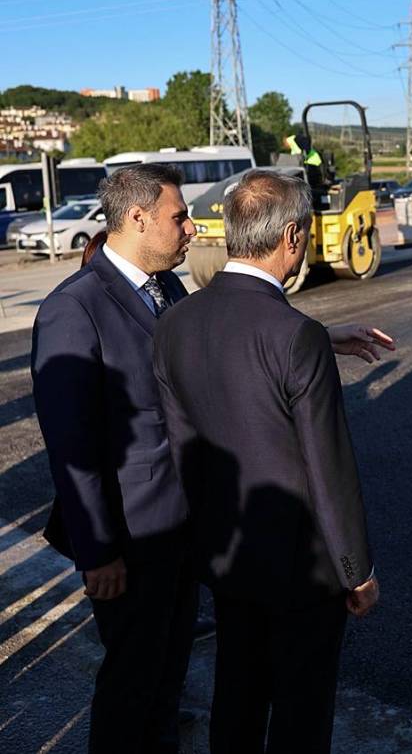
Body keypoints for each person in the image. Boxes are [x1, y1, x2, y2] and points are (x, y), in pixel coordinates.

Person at [152, 169, 388, 754]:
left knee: (237, 695)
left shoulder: (175, 322)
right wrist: (356, 571)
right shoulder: (295, 335)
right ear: (290, 237)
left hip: (227, 557)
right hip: (301, 573)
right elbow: (329, 467)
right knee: (301, 716)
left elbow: (183, 448)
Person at [31, 163, 198, 754]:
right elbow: (72, 448)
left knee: (169, 677)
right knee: (133, 683)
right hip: (129, 539)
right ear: (138, 217)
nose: (191, 228)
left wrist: (316, 339)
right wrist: (98, 552)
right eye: (180, 217)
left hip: (182, 527)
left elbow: (216, 345)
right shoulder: (73, 308)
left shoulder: (168, 287)